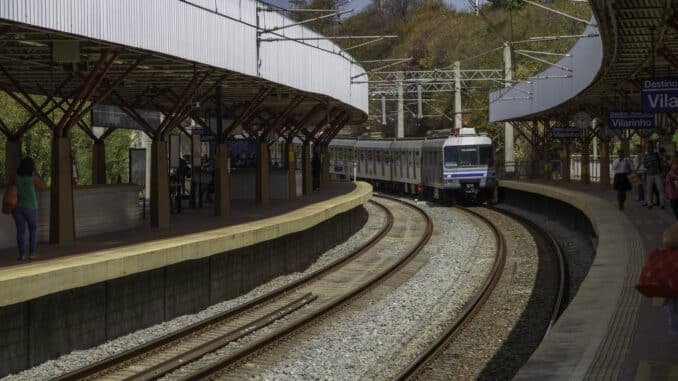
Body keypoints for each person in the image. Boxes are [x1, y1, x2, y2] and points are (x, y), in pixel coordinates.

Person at [12, 157, 47, 260]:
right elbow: (44, 187)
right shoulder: (33, 178)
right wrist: (37, 174)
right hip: (30, 207)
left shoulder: (15, 177)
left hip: (17, 207)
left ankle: (22, 254)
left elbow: (11, 186)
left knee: (20, 231)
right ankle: (32, 253)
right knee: (33, 230)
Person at [643, 144, 665, 209]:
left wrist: (663, 172)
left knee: (660, 189)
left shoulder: (657, 155)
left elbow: (661, 163)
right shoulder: (646, 156)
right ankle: (650, 204)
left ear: (653, 148)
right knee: (649, 190)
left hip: (658, 174)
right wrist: (648, 164)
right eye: (648, 148)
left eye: (650, 148)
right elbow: (644, 165)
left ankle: (662, 204)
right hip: (649, 175)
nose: (649, 149)